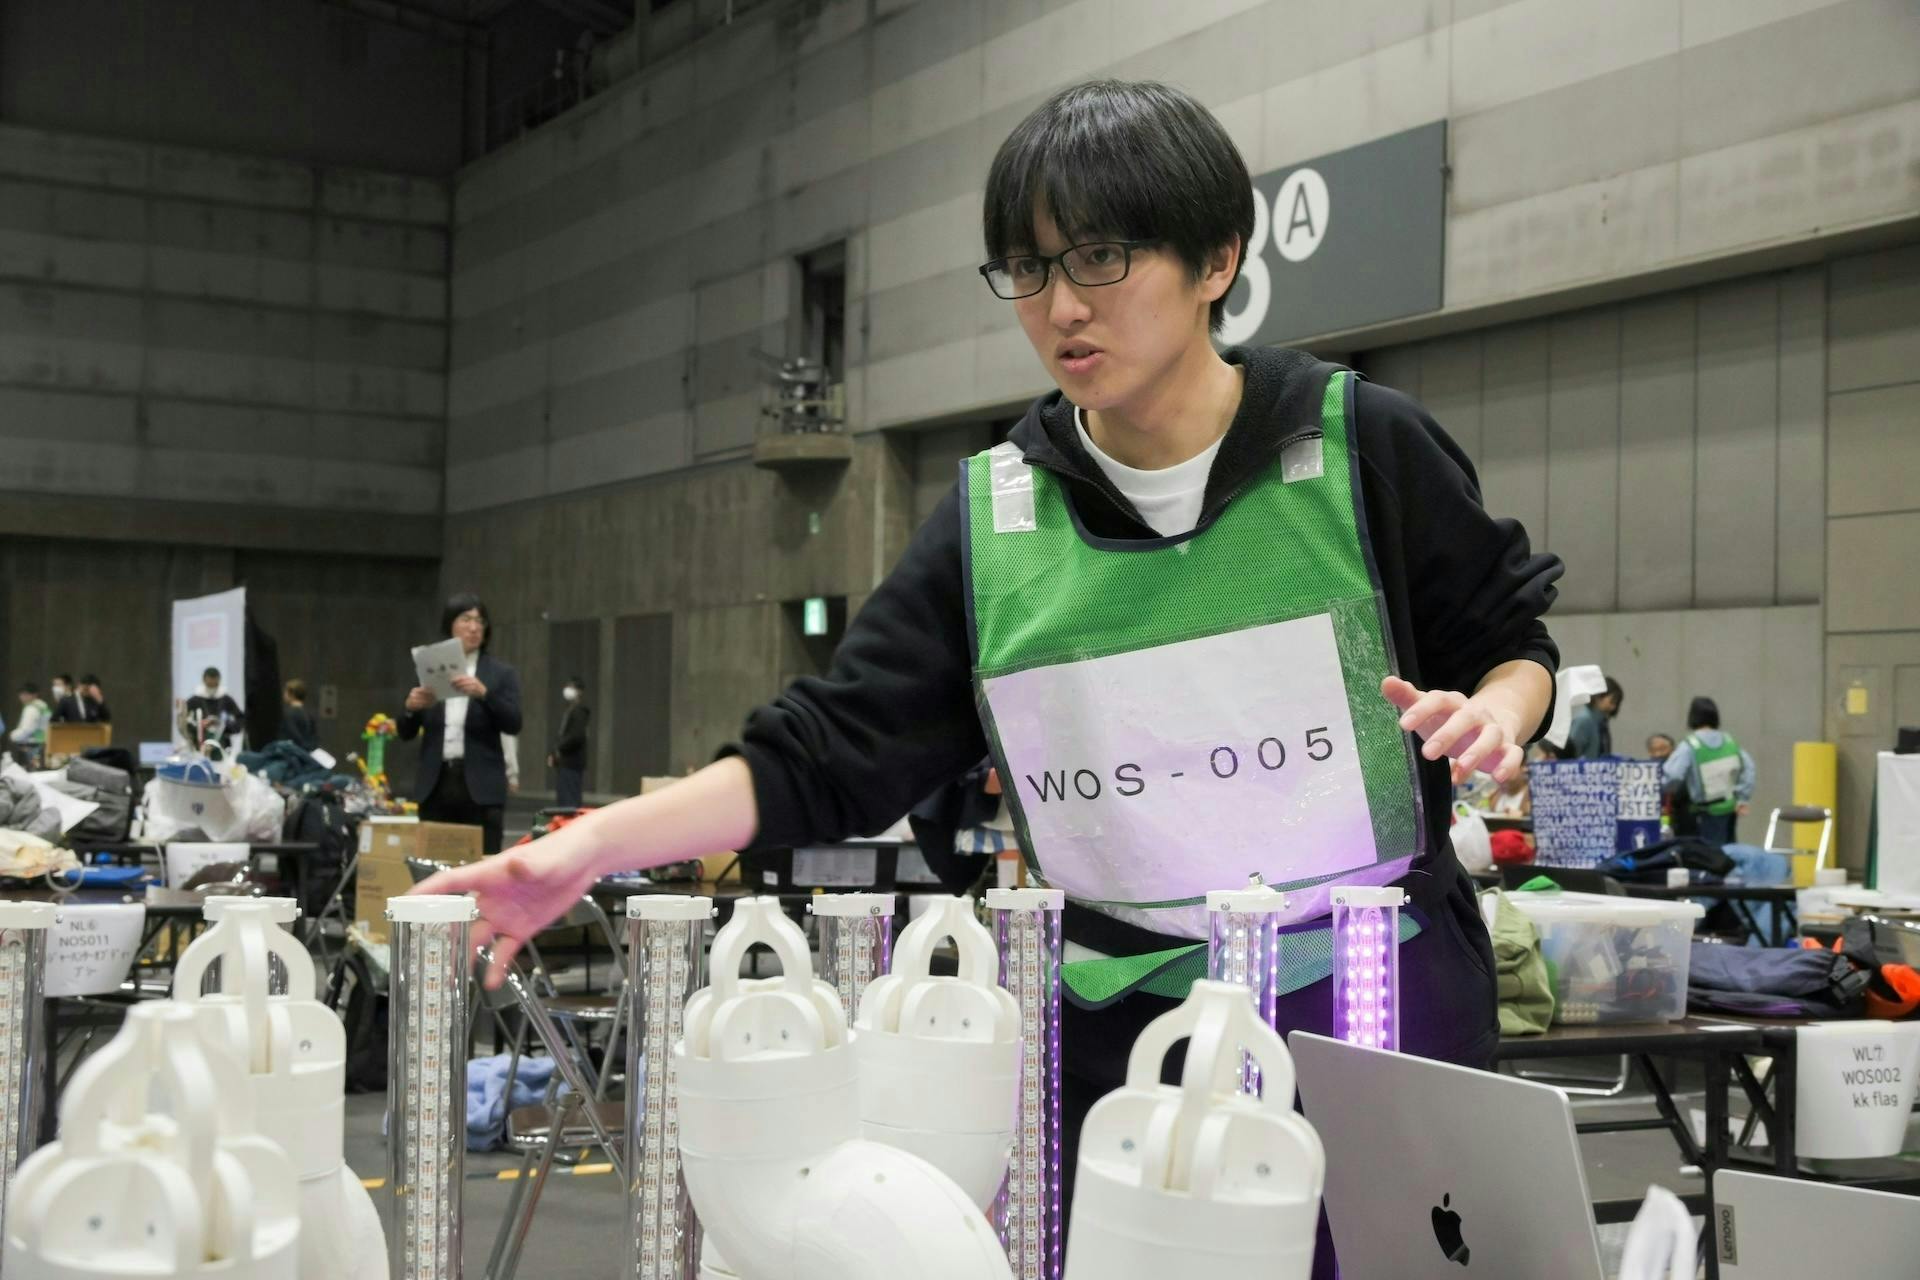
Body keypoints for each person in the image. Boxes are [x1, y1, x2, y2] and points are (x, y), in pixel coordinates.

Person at [416, 80, 1561, 1270]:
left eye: (1102, 258)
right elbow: (830, 749)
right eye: (1027, 267)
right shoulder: (993, 518)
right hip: (1119, 1058)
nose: (1061, 305)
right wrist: (587, 848)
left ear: (1218, 258)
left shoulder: (1361, 443)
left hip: (1370, 1021)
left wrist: (1499, 709)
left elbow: (1512, 637)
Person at [398, 593, 521, 854]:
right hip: (436, 783)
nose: (474, 627)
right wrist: (410, 709)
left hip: (481, 787)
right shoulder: (430, 667)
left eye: (480, 621)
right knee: (435, 865)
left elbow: (513, 723)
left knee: (483, 864)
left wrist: (485, 694)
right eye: (466, 619)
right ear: (450, 624)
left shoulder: (500, 673)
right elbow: (405, 732)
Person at [1663, 696, 1755, 846]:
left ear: (1692, 717)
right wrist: (1742, 797)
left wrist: (1665, 790)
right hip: (1729, 809)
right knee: (1727, 853)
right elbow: (1749, 769)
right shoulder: (1729, 741)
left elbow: (1673, 775)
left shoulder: (1690, 745)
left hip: (1704, 814)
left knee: (1706, 854)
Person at [548, 676, 590, 810]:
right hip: (566, 763)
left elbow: (576, 736)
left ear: (579, 691)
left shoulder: (579, 711)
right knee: (565, 800)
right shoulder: (571, 710)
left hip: (571, 763)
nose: (567, 690)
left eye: (572, 687)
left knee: (569, 803)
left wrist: (559, 748)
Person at [182, 667, 245, 751]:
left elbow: (240, 719)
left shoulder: (226, 699)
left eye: (215, 683)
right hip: (199, 743)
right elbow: (184, 721)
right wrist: (199, 726)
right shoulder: (194, 700)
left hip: (222, 743)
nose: (212, 686)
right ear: (204, 681)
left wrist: (224, 726)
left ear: (219, 681)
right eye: (209, 683)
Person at [1567, 675, 1622, 758]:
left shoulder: (1600, 722)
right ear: (1599, 696)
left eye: (1616, 703)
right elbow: (1572, 753)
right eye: (1612, 701)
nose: (1613, 707)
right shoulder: (1584, 720)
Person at [9, 685, 50, 766]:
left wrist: (13, 735)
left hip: (32, 745)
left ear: (34, 695)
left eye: (25, 694)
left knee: (32, 769)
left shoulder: (31, 708)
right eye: (21, 694)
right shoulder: (43, 706)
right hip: (44, 743)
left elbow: (27, 730)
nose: (22, 697)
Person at [281, 679, 320, 753]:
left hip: (294, 753)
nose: (283, 695)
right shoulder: (309, 714)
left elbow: (292, 736)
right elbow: (314, 736)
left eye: (285, 692)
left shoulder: (288, 714)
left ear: (292, 694)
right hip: (307, 753)